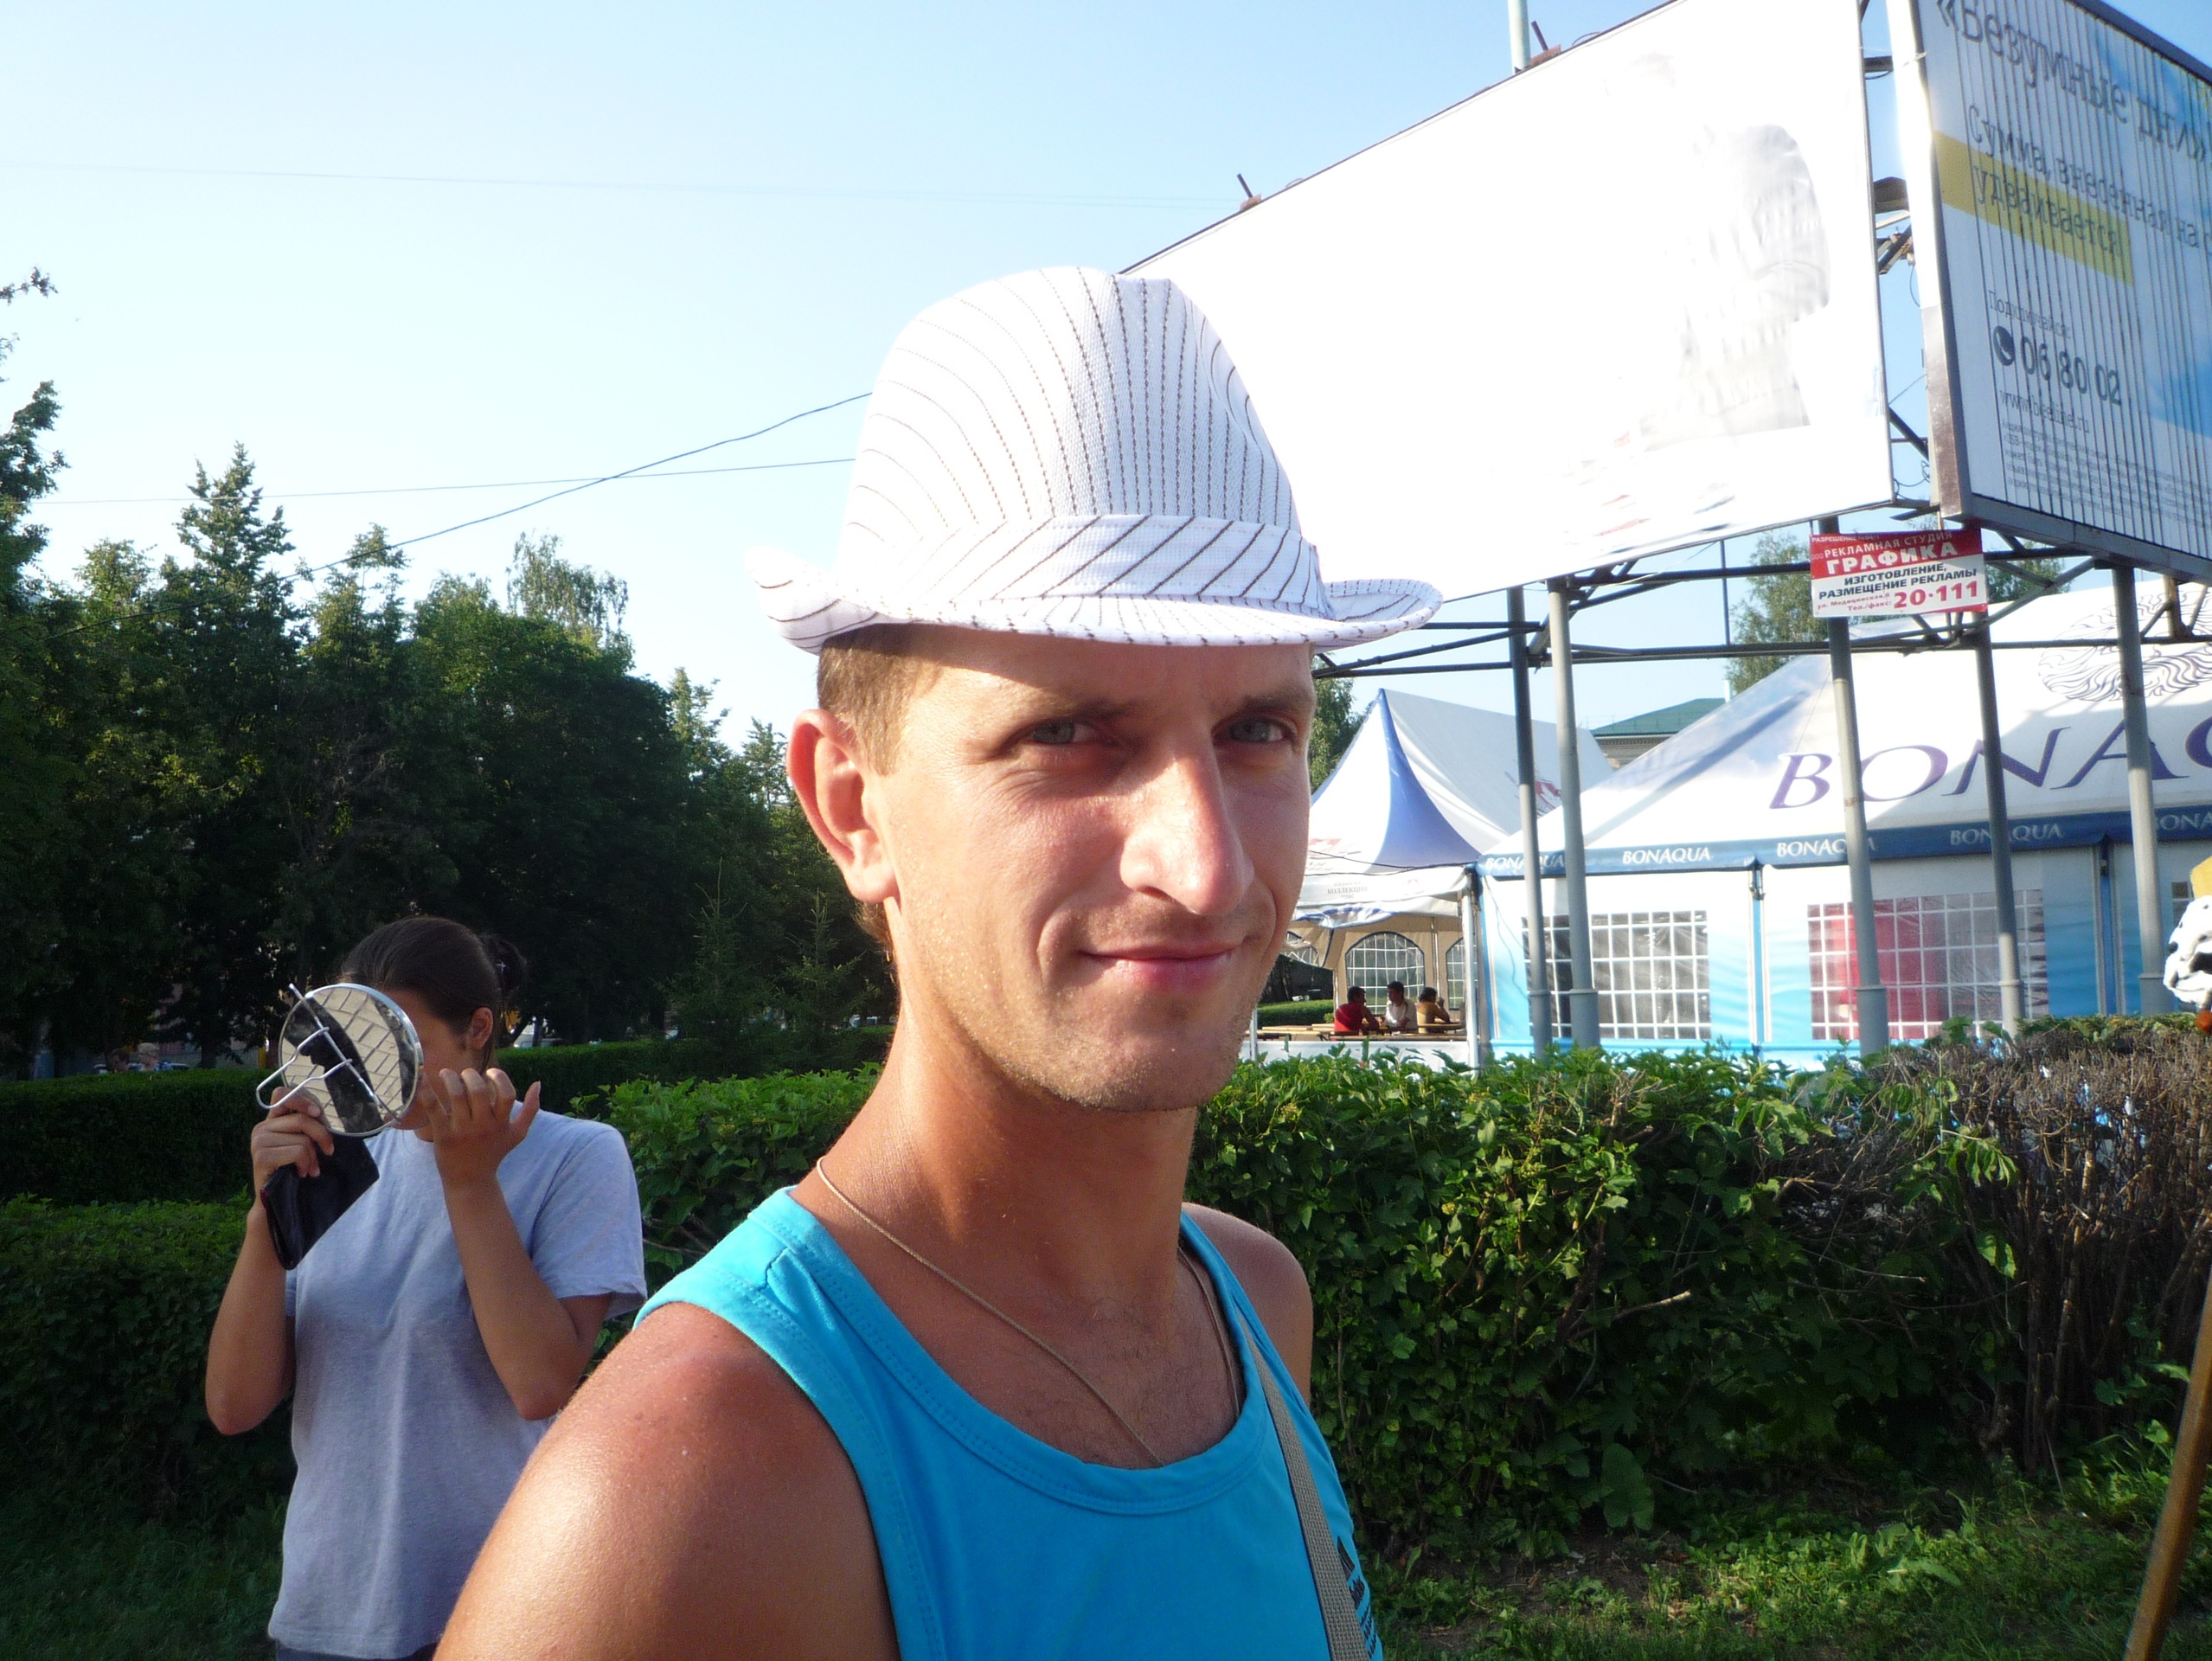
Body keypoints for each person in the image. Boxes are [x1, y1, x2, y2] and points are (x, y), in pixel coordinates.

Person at [438, 267, 1439, 1661]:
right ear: (853, 808)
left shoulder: (1254, 1307)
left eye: (1258, 732)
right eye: (1068, 736)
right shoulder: (688, 1495)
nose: (1209, 867)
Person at [204, 918, 647, 1661]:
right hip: (328, 1611)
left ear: (479, 1029)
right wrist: (265, 1217)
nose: (369, 1074)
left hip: (498, 1609)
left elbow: (541, 1384)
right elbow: (234, 1406)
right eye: (351, 1043)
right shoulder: (334, 1159)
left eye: (396, 1044)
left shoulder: (574, 1155)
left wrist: (470, 1184)